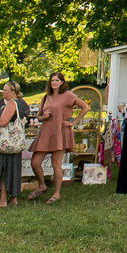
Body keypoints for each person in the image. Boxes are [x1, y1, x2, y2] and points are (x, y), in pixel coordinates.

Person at [28, 71, 90, 203]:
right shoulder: (46, 97)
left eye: (56, 80)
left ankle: (56, 193)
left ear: (62, 82)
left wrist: (73, 122)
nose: (54, 83)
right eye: (52, 80)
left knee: (56, 163)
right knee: (35, 162)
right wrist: (42, 117)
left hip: (60, 133)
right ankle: (41, 185)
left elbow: (85, 107)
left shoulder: (68, 96)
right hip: (46, 132)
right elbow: (38, 115)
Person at [0, 81, 30, 207]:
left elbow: (2, 122)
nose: (3, 92)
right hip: (16, 144)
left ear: (13, 92)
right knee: (14, 169)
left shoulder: (12, 104)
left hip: (6, 143)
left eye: (6, 90)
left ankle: (2, 199)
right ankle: (14, 197)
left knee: (3, 170)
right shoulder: (23, 103)